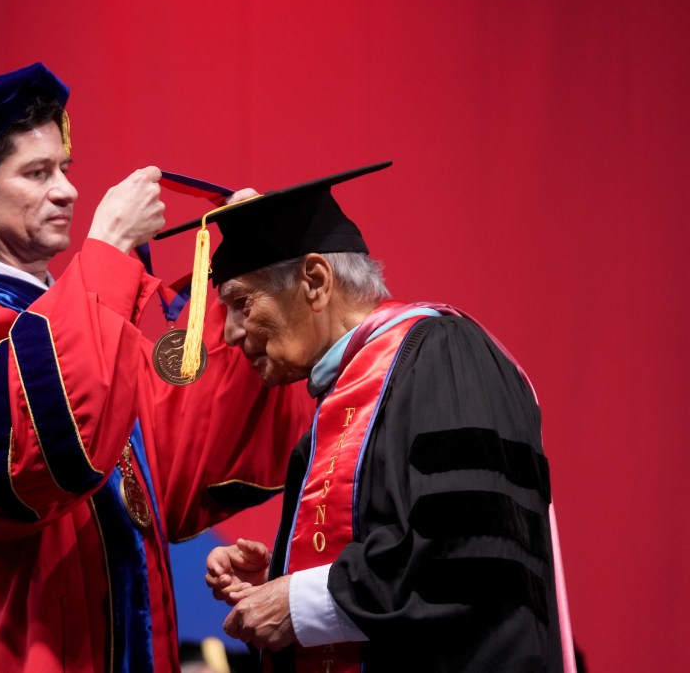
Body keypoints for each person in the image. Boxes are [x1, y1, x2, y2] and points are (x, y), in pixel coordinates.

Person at [0, 62, 313, 672]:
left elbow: (174, 455)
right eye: (36, 173)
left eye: (64, 169)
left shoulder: (77, 318)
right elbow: (24, 465)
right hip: (19, 648)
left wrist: (245, 268)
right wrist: (106, 250)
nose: (67, 191)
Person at [168, 162, 576, 671]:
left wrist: (301, 602)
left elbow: (469, 555)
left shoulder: (445, 354)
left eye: (242, 303)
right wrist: (281, 583)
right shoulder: (335, 412)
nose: (229, 333)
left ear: (315, 282)